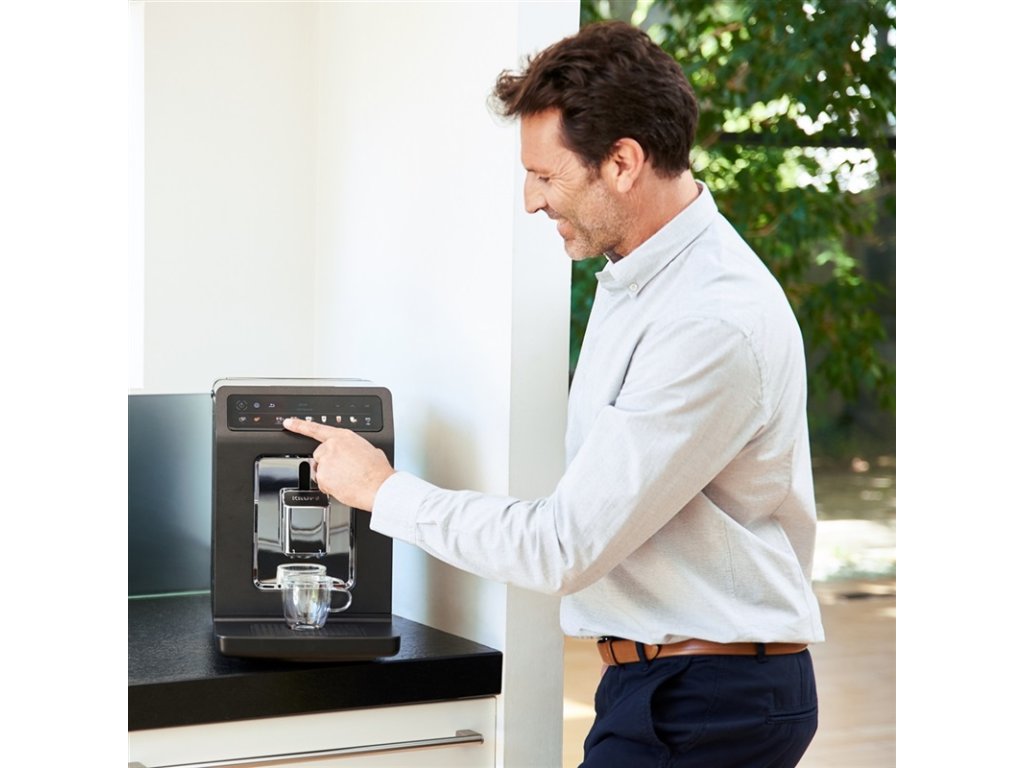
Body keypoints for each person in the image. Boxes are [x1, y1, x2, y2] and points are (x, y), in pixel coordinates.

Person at [285, 20, 823, 768]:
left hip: (706, 699)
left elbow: (563, 546)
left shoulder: (707, 321)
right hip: (678, 685)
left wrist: (382, 491)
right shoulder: (642, 278)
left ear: (623, 163)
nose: (531, 202)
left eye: (545, 176)